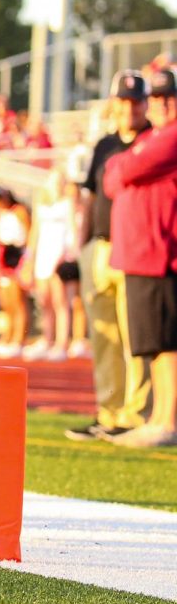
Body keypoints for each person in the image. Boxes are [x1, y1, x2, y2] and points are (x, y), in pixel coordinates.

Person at [67, 70, 153, 441]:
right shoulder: (104, 144)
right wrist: (82, 245)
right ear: (114, 104)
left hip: (136, 249)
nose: (129, 108)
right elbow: (89, 198)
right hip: (98, 249)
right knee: (104, 338)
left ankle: (136, 415)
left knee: (136, 336)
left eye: (136, 101)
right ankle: (110, 411)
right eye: (124, 101)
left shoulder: (156, 141)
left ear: (145, 104)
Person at [103, 67, 177, 448]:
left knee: (167, 343)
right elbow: (111, 176)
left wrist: (124, 168)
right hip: (142, 254)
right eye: (158, 97)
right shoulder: (157, 137)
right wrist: (123, 168)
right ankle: (160, 417)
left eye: (170, 97)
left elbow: (127, 168)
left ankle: (167, 419)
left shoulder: (170, 137)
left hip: (160, 253)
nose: (163, 104)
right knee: (156, 344)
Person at [23, 169, 80, 362]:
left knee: (60, 301)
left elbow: (73, 230)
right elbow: (34, 233)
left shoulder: (67, 204)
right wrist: (29, 259)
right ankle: (47, 338)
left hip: (59, 256)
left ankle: (61, 342)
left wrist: (69, 253)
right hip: (43, 256)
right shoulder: (42, 205)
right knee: (44, 301)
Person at [0, 187, 31, 359]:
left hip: (16, 256)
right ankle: (7, 336)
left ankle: (18, 339)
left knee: (16, 301)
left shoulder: (19, 211)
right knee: (6, 303)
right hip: (3, 256)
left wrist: (25, 260)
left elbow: (27, 235)